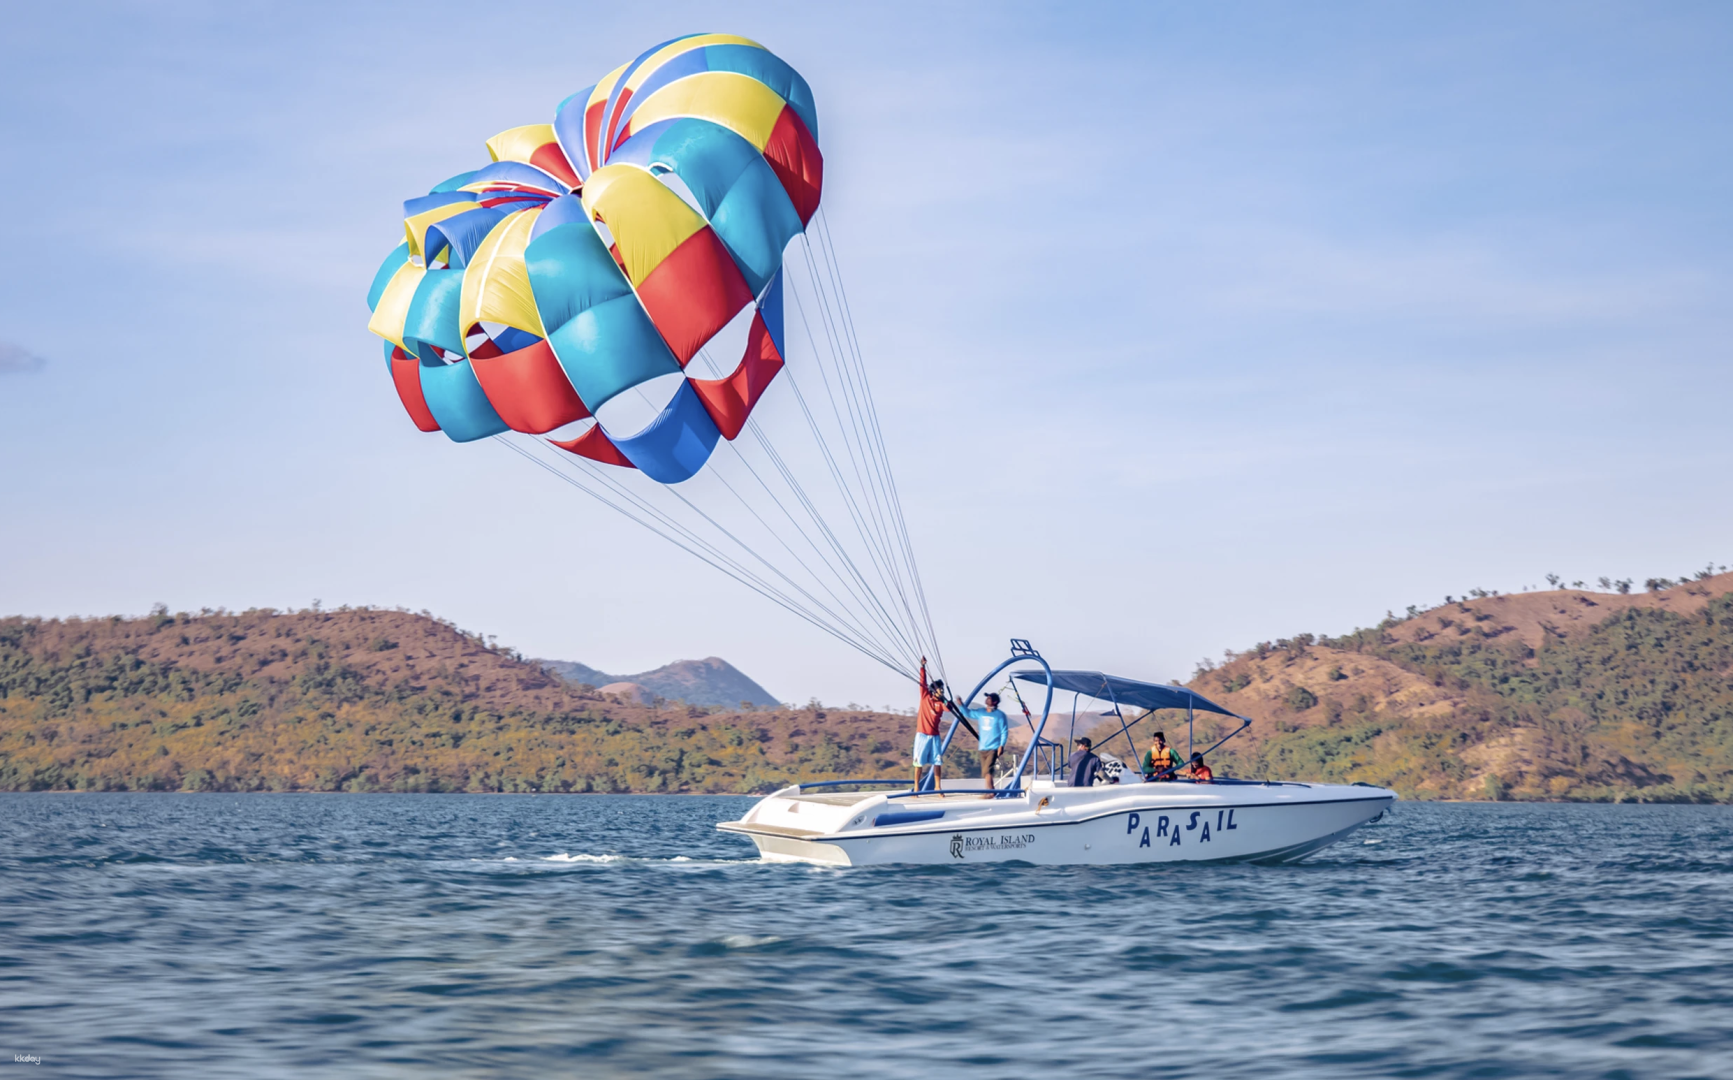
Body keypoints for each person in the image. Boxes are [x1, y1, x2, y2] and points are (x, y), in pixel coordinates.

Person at [912, 657, 949, 793]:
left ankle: (938, 787)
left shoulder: (941, 704)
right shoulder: (925, 697)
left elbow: (949, 708)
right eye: (940, 690)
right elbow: (922, 683)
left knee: (937, 762)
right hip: (922, 735)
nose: (942, 692)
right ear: (934, 690)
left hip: (934, 737)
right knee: (918, 763)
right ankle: (916, 787)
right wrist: (923, 667)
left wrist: (945, 699)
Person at [964, 693, 1009, 792]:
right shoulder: (981, 712)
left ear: (995, 702)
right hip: (983, 747)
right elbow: (968, 713)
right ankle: (991, 790)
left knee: (987, 771)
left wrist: (1001, 745)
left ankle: (990, 792)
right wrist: (960, 705)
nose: (987, 699)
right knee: (987, 772)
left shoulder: (1000, 715)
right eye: (987, 698)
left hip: (993, 747)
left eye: (989, 698)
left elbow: (1004, 731)